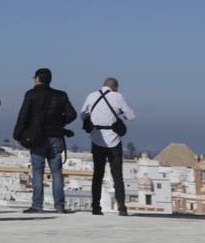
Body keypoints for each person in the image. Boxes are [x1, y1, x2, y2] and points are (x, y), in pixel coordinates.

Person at [12, 67, 75, 213]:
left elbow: (23, 116)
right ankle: (59, 206)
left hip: (37, 138)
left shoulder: (31, 94)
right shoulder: (61, 95)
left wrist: (17, 135)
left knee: (38, 172)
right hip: (56, 137)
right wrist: (60, 123)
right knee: (57, 173)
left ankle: (37, 205)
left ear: (37, 79)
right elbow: (72, 114)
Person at [81, 77, 136, 216]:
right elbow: (131, 116)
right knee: (117, 176)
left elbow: (82, 115)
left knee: (97, 175)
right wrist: (119, 114)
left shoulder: (91, 95)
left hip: (96, 138)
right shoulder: (118, 96)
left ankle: (95, 207)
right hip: (113, 141)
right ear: (115, 87)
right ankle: (122, 207)